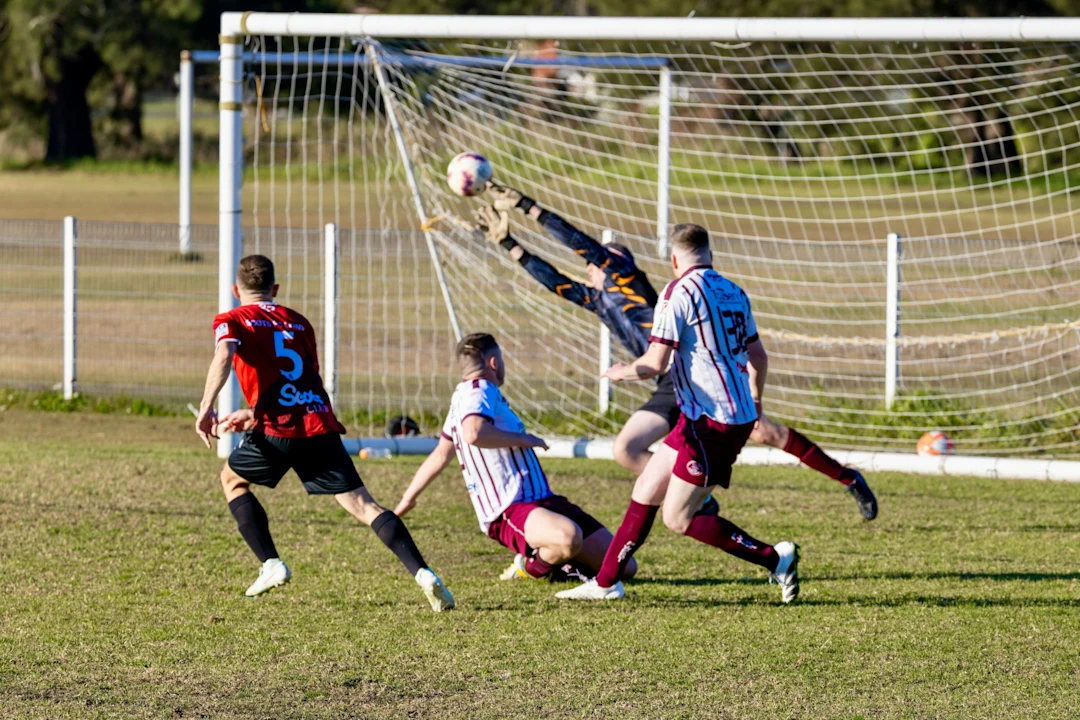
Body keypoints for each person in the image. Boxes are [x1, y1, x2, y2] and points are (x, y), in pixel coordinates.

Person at [476, 185, 878, 521]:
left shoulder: (626, 279)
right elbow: (555, 283)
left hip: (696, 371)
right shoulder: (599, 300)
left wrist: (530, 207)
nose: (589, 267)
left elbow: (579, 244)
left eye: (600, 259)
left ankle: (848, 478)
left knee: (764, 431)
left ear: (616, 263)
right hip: (669, 384)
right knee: (626, 449)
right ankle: (699, 498)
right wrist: (509, 243)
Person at [194, 254, 454, 611]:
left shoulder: (232, 318)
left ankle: (271, 564)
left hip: (278, 429)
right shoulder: (299, 323)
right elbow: (301, 381)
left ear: (236, 290)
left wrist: (208, 406)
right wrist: (253, 413)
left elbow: (225, 354)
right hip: (318, 424)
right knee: (364, 505)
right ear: (276, 288)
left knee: (232, 481)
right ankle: (423, 572)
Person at [556, 224, 799, 603]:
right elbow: (759, 358)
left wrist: (623, 371)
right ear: (709, 255)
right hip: (708, 417)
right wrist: (756, 398)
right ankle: (606, 583)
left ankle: (775, 558)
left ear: (674, 260)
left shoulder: (676, 293)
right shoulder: (734, 291)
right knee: (645, 488)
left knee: (678, 518)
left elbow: (655, 363)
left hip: (713, 424)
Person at [393, 332, 638, 584]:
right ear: (493, 363)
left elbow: (440, 454)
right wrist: (525, 439)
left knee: (624, 565)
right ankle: (529, 567)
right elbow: (473, 433)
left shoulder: (464, 398)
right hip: (509, 509)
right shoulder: (479, 390)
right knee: (567, 538)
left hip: (543, 500)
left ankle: (561, 565)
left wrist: (407, 499)